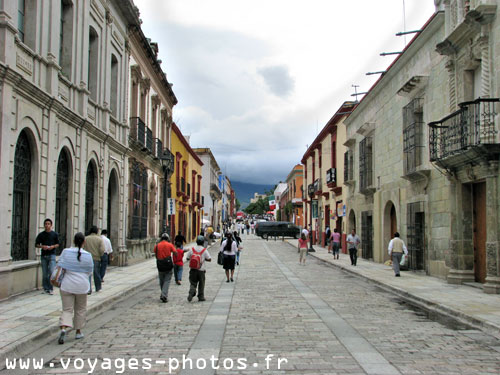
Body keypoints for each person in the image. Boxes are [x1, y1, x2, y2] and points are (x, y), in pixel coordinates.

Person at [57, 232, 94, 344]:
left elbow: (60, 266)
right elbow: (89, 272)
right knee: (80, 309)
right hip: (82, 286)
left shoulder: (66, 252)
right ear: (84, 242)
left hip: (67, 285)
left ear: (73, 241)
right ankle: (78, 331)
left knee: (67, 309)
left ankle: (63, 328)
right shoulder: (87, 255)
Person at [35, 218, 60, 295]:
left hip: (52, 255)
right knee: (45, 273)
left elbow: (58, 244)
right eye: (46, 224)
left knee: (51, 271)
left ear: (51, 225)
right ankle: (46, 288)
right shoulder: (41, 235)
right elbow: (36, 244)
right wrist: (42, 246)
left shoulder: (54, 234)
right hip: (44, 256)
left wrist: (53, 246)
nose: (47, 225)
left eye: (48, 224)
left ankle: (51, 288)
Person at [186, 235, 212, 302]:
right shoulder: (204, 250)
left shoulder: (192, 249)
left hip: (193, 269)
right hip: (201, 270)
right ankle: (201, 297)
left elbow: (187, 258)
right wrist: (203, 259)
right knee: (201, 283)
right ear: (203, 242)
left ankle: (191, 292)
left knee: (193, 282)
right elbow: (209, 259)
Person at [154, 233, 177, 302]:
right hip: (168, 264)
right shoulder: (170, 245)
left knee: (161, 280)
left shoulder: (157, 245)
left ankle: (163, 293)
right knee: (167, 280)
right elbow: (175, 253)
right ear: (167, 239)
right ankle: (164, 295)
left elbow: (155, 254)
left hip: (160, 264)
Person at [85, 226, 105, 293]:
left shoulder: (86, 239)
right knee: (96, 273)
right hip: (96, 258)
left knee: (88, 274)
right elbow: (102, 250)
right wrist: (100, 255)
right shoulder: (99, 239)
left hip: (87, 258)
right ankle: (98, 288)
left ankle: (88, 289)